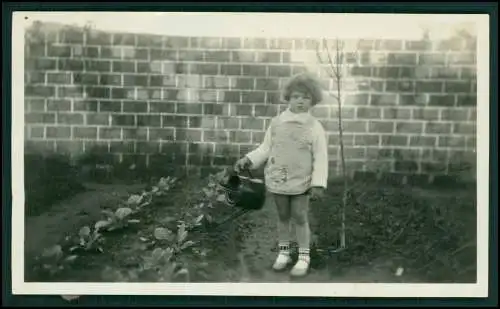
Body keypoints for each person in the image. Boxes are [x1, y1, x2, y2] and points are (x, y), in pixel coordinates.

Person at [234, 72, 329, 277]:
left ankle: (304, 256)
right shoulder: (277, 123)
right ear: (289, 98)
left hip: (302, 180)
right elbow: (266, 148)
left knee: (300, 216)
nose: (300, 101)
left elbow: (321, 157)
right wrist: (248, 159)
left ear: (313, 100)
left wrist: (318, 183)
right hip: (279, 178)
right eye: (296, 96)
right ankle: (284, 252)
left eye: (305, 97)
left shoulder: (314, 127)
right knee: (283, 216)